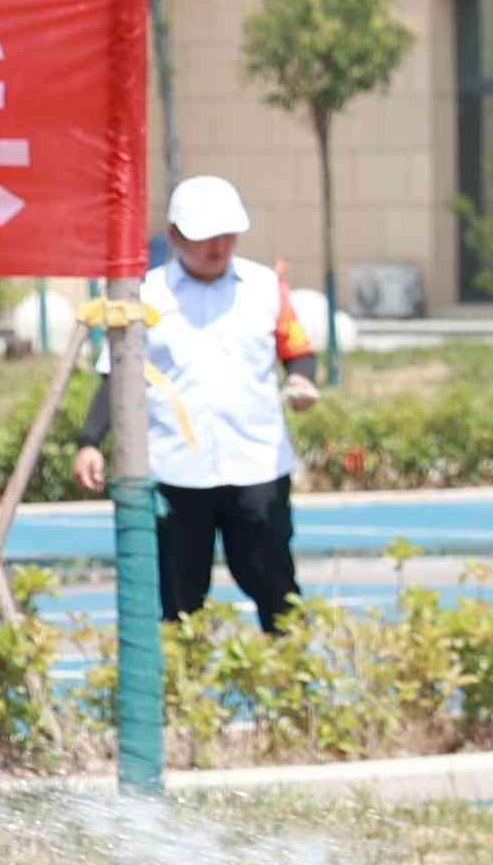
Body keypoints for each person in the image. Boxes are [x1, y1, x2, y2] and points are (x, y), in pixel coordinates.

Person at [76, 175, 319, 630]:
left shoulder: (265, 286)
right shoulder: (143, 295)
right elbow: (116, 376)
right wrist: (90, 440)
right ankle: (178, 695)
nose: (218, 246)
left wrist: (302, 382)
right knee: (179, 600)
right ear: (174, 237)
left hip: (258, 466)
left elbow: (298, 351)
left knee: (276, 590)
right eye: (205, 237)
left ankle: (292, 692)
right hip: (175, 472)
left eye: (227, 234)